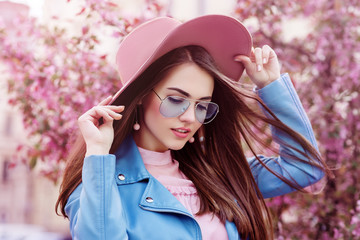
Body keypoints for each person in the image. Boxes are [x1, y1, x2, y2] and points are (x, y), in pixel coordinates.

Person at [56, 15, 330, 240]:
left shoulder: (215, 172)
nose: (190, 117)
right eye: (176, 100)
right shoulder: (99, 184)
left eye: (202, 106)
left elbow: (304, 168)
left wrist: (270, 87)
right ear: (140, 98)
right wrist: (98, 153)